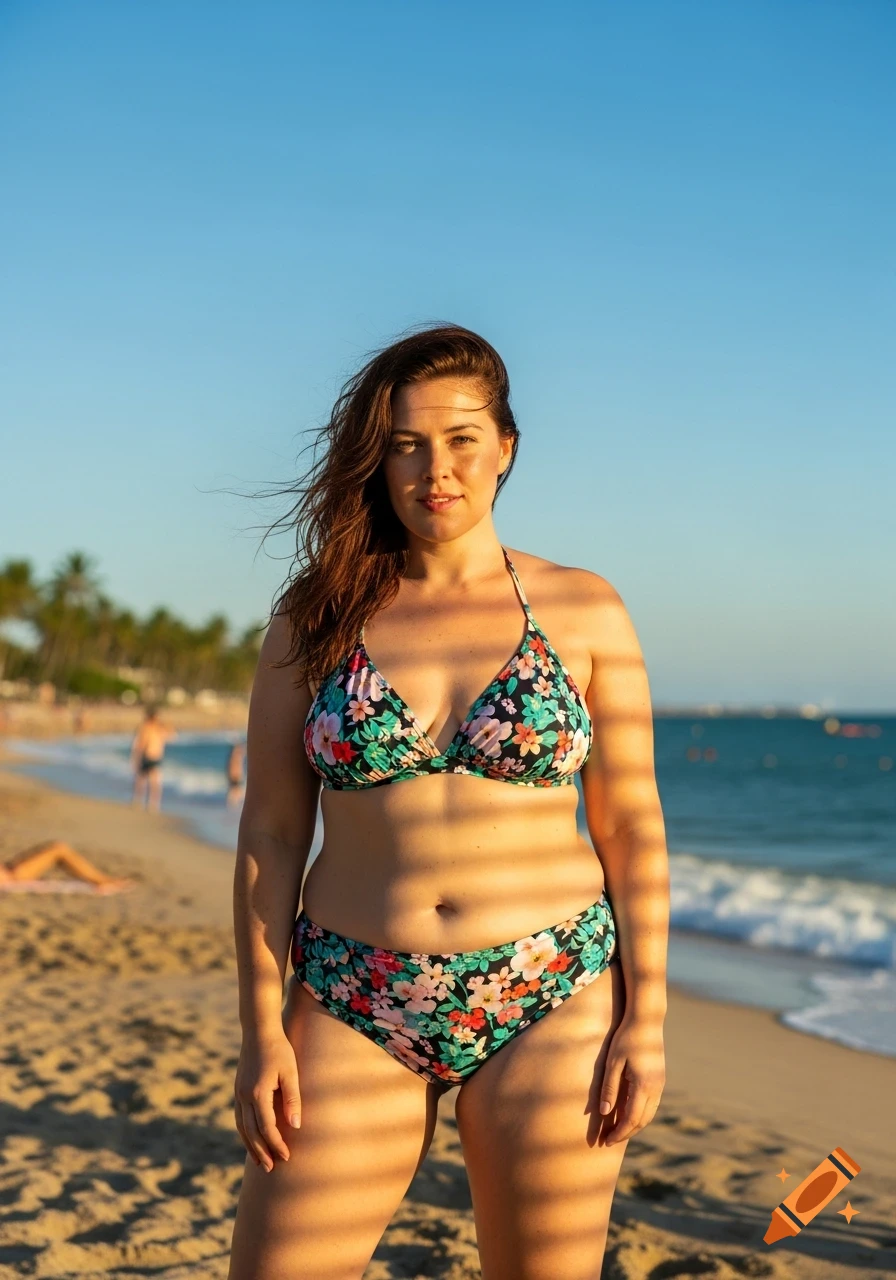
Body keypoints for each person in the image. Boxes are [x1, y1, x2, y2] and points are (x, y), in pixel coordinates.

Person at [228, 324, 670, 1279]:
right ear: (376, 458)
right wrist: (261, 1029)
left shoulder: (585, 607)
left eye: (463, 438)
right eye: (406, 444)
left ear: (506, 446)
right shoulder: (317, 614)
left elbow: (631, 823)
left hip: (550, 992)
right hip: (354, 994)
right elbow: (268, 828)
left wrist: (650, 1016)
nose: (437, 468)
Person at [0, 840, 134, 894]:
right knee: (59, 848)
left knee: (57, 848)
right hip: (13, 875)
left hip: (9, 871)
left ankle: (101, 880)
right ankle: (102, 881)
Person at [130, 705, 177, 813]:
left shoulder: (157, 727)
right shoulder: (147, 727)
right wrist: (136, 757)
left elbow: (172, 736)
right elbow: (140, 743)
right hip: (149, 756)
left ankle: (150, 803)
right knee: (145, 780)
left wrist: (135, 757)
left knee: (150, 781)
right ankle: (145, 802)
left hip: (153, 757)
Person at [226, 739, 247, 809]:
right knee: (235, 795)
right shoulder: (236, 756)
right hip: (235, 777)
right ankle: (232, 808)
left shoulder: (235, 756)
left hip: (235, 777)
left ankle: (232, 808)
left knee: (235, 796)